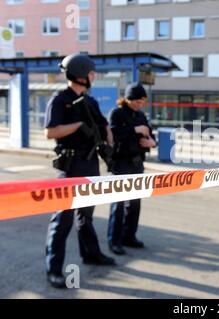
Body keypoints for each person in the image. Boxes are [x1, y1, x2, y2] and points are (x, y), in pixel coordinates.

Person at [44, 54, 116, 288]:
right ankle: (54, 270)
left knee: (85, 217)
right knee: (62, 220)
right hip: (71, 167)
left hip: (90, 166)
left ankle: (91, 254)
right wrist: (76, 126)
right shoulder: (60, 100)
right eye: (92, 73)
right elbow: (51, 132)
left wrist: (108, 139)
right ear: (80, 74)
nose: (94, 77)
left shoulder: (90, 101)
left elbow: (104, 125)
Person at [107, 83, 157, 255]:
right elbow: (112, 134)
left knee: (135, 203)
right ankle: (114, 240)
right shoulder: (117, 113)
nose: (139, 104)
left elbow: (151, 136)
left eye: (142, 101)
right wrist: (135, 129)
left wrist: (151, 142)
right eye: (136, 100)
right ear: (127, 99)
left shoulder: (141, 115)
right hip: (121, 163)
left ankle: (129, 236)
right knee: (118, 203)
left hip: (137, 163)